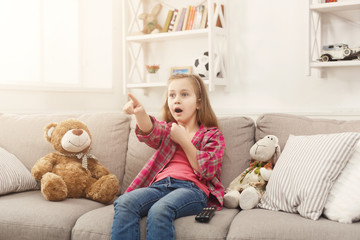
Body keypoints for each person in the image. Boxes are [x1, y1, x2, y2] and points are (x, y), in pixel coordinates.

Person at [111, 74, 225, 240]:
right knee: (124, 202)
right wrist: (140, 113)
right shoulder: (167, 130)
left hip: (191, 190)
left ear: (199, 103)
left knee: (160, 210)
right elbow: (150, 130)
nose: (176, 100)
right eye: (172, 95)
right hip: (160, 185)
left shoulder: (212, 135)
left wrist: (184, 140)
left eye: (184, 94)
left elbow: (206, 170)